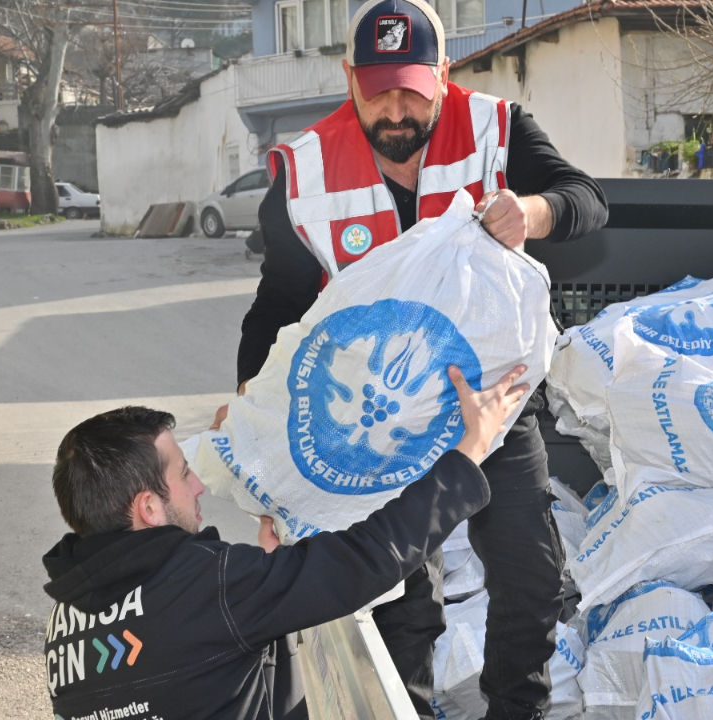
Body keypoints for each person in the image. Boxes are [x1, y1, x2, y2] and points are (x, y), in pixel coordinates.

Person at [235, 1, 608, 718]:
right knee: (401, 593)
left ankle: (517, 710)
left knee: (529, 575)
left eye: (413, 87)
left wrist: (532, 213)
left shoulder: (497, 128)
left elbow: (587, 201)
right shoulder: (304, 171)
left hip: (490, 400)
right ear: (349, 79)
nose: (396, 108)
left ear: (444, 73)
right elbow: (277, 305)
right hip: (379, 417)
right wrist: (257, 429)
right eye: (378, 89)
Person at [41, 364, 531, 720]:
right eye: (185, 474)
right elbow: (364, 560)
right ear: (148, 508)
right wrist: (470, 451)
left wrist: (269, 584)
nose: (197, 486)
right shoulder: (210, 586)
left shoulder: (64, 626)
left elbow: (186, 662)